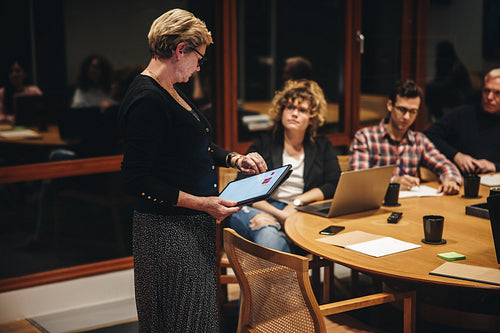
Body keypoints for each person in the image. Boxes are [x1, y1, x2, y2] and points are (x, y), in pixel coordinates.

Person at [117, 9, 267, 332]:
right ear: (180, 49)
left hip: (189, 227)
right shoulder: (147, 99)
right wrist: (204, 204)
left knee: (197, 319)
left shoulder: (169, 89)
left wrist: (235, 160)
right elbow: (136, 179)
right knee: (183, 323)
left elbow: (194, 146)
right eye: (199, 57)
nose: (199, 66)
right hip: (167, 232)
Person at [229, 79, 341, 253]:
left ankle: (276, 275)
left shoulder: (322, 145)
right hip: (261, 206)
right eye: (290, 107)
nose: (294, 113)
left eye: (302, 110)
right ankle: (287, 278)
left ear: (312, 119)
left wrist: (297, 202)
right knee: (266, 230)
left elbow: (333, 184)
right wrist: (279, 215)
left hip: (300, 210)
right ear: (281, 111)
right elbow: (242, 189)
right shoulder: (264, 143)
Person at [350, 79, 462, 194]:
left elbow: (445, 165)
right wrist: (394, 182)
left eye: (413, 111)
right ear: (390, 105)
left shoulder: (418, 140)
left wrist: (451, 181)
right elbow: (359, 181)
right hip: (375, 205)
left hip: (409, 205)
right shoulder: (365, 137)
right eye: (402, 110)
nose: (407, 117)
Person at [425, 68, 500, 174]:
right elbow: (430, 135)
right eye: (486, 91)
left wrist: (494, 166)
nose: (489, 97)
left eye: (497, 93)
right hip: (459, 179)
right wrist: (456, 155)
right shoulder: (463, 114)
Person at [426, 41, 472, 120]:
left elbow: (447, 84)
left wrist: (429, 85)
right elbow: (439, 80)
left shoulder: (456, 67)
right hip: (449, 93)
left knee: (432, 92)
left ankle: (439, 118)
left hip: (460, 97)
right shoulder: (444, 64)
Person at [0, 59, 43, 124]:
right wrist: (14, 118)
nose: (14, 74)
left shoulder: (34, 91)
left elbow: (44, 111)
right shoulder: (2, 93)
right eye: (11, 71)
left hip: (31, 127)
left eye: (17, 71)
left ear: (24, 74)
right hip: (9, 129)